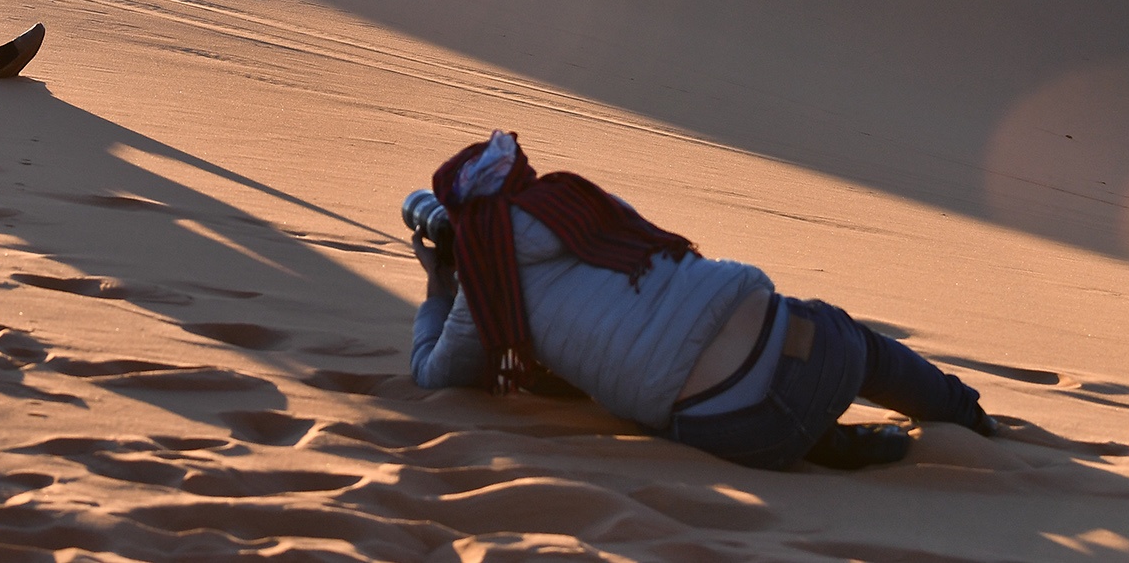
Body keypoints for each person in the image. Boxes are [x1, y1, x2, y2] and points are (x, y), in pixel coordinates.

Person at [409, 131, 996, 471]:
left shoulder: (486, 293)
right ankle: (967, 416)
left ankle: (826, 443)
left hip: (743, 437)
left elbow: (435, 376)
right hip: (818, 359)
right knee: (860, 346)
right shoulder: (589, 209)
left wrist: (442, 287)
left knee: (655, 389)